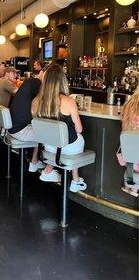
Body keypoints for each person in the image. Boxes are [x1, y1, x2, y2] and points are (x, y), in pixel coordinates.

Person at [33, 64, 87, 193]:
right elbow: (79, 129)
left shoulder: (36, 101)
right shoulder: (69, 101)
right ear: (62, 81)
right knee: (78, 137)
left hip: (49, 147)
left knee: (60, 139)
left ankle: (49, 169)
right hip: (69, 148)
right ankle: (75, 180)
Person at [9, 68, 45, 171]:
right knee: (47, 134)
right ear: (41, 73)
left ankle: (35, 161)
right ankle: (37, 163)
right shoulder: (37, 83)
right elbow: (46, 99)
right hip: (20, 130)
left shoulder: (30, 82)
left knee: (42, 130)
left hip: (13, 127)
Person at [118, 85, 139, 196]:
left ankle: (130, 184)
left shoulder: (129, 103)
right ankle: (134, 187)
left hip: (128, 155)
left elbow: (124, 129)